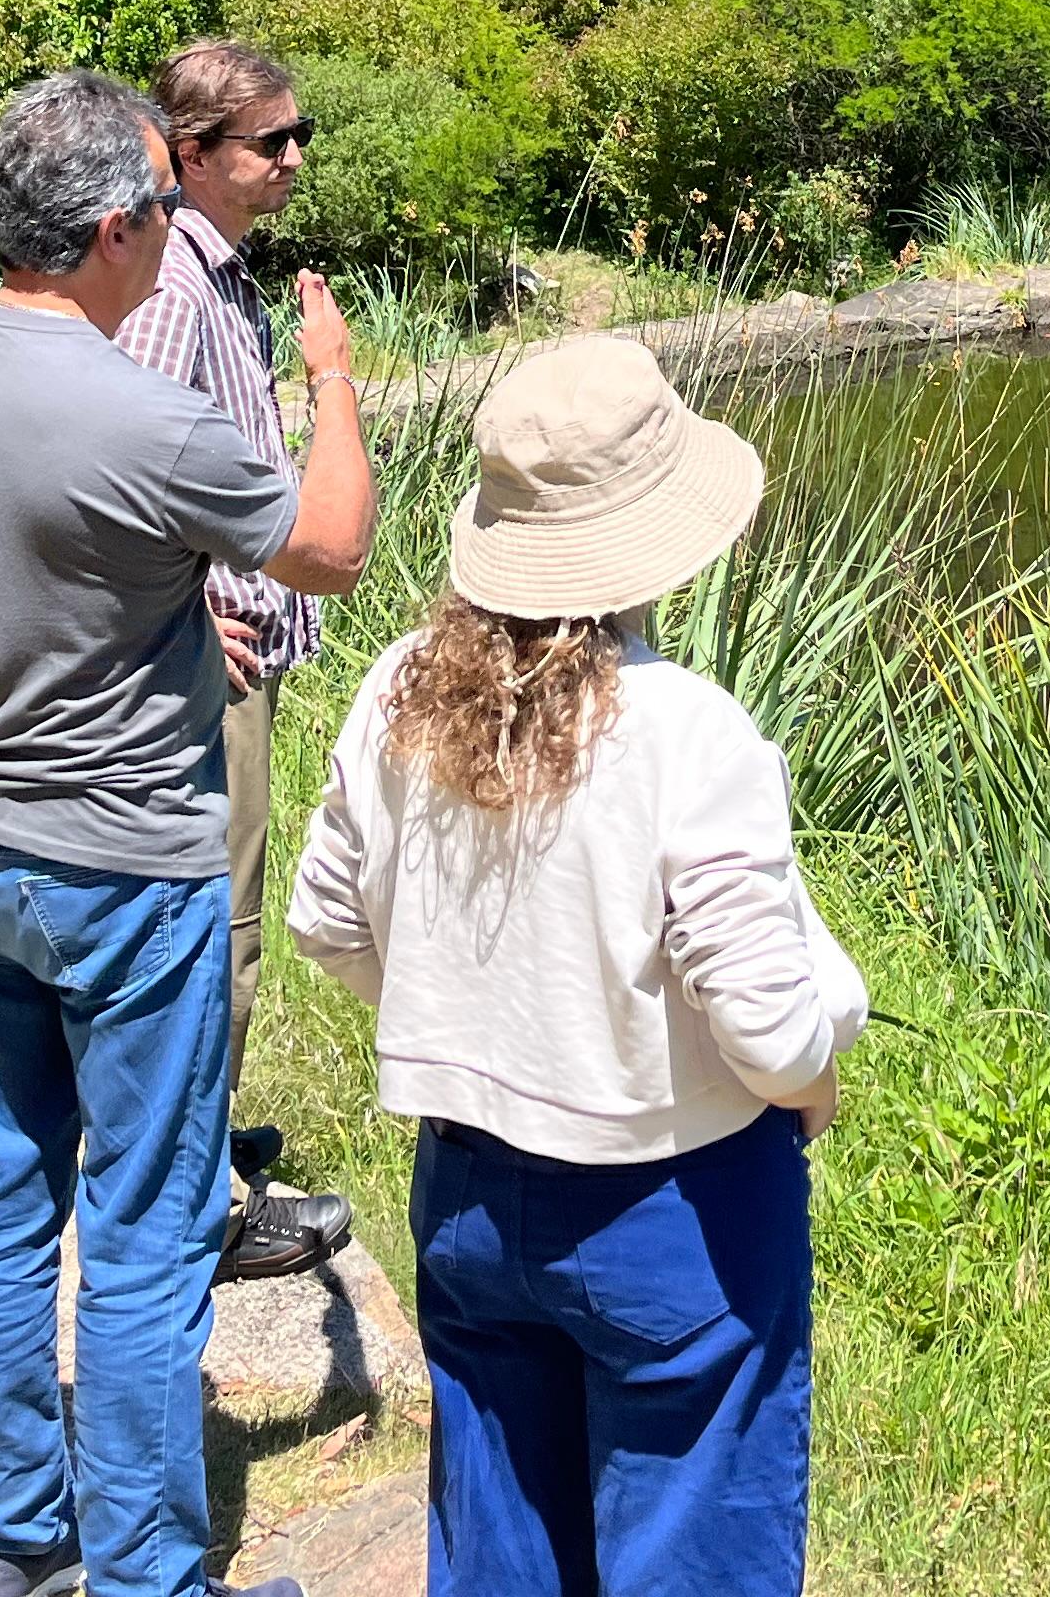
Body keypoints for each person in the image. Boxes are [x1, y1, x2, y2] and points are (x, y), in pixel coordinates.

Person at [0, 69, 379, 1597]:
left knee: (2, 1189)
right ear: (107, 229)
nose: (162, 230)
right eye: (152, 205)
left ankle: (14, 1546)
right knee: (142, 1230)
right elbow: (329, 547)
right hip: (131, 873)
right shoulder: (142, 415)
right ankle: (151, 1574)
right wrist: (332, 379)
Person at [288, 335, 858, 1597]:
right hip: (677, 1206)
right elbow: (766, 1025)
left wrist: (465, 1018)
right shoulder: (685, 731)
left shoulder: (397, 694)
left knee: (499, 1540)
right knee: (689, 1545)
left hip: (472, 1189)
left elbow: (326, 919)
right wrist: (809, 1081)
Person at [112, 38, 353, 1282]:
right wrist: (184, 603)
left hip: (234, 653)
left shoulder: (215, 272)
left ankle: (195, 1144)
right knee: (222, 929)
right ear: (192, 155)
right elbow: (118, 464)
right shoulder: (169, 291)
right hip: (213, 668)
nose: (295, 159)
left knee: (221, 919)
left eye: (300, 135)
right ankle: (199, 1213)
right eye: (272, 143)